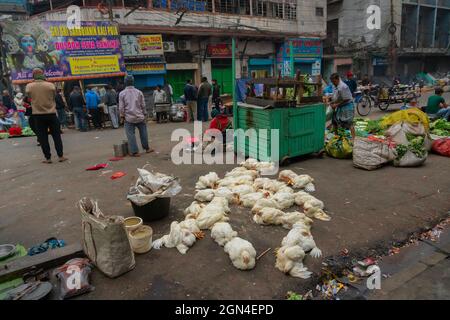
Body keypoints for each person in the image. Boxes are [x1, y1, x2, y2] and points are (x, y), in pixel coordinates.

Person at [25, 68, 67, 163]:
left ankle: (48, 158)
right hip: (51, 114)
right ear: (43, 74)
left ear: (33, 75)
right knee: (56, 136)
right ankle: (60, 156)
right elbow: (53, 97)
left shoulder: (29, 86)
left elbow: (29, 98)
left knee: (43, 138)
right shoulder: (50, 85)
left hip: (38, 115)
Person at [119, 75, 153, 157]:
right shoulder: (139, 92)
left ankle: (135, 152)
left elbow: (121, 107)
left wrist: (122, 116)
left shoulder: (122, 93)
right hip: (140, 116)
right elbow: (143, 105)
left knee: (130, 135)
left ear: (125, 82)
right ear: (133, 82)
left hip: (129, 118)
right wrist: (144, 114)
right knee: (143, 133)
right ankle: (147, 148)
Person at [329, 73, 355, 138]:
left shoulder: (343, 86)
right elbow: (335, 96)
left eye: (334, 81)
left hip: (347, 107)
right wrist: (332, 102)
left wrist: (336, 104)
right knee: (335, 121)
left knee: (349, 123)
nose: (333, 83)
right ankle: (336, 136)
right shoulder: (334, 85)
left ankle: (353, 138)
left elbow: (346, 99)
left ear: (338, 79)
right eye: (332, 82)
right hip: (340, 107)